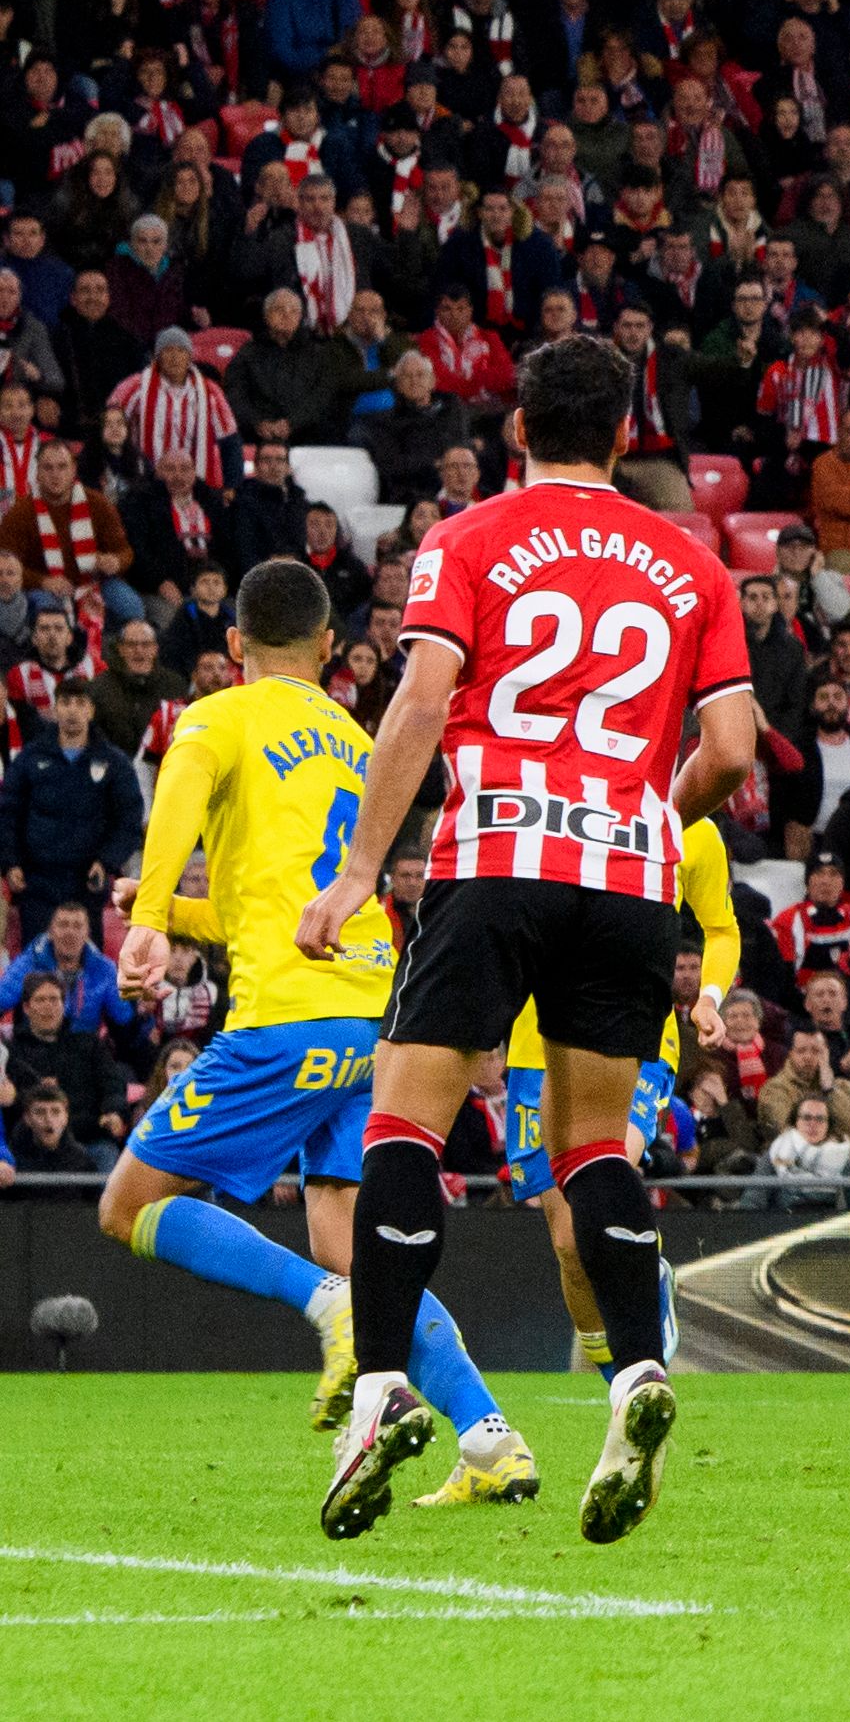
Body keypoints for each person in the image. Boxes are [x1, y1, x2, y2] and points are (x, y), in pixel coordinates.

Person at [291, 335, 756, 1545]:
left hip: (495, 856)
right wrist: (647, 816)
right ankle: (638, 1376)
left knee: (404, 1123)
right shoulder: (695, 563)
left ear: (516, 431)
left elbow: (423, 699)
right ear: (624, 435)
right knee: (592, 1146)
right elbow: (738, 753)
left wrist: (353, 877)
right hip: (628, 877)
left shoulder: (469, 539)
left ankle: (384, 1390)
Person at [97, 558, 529, 1502]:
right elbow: (276, 906)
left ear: (232, 646)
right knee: (353, 1233)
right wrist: (171, 913)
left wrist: (148, 911)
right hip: (378, 1018)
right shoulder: (353, 737)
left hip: (288, 1020)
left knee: (127, 1206)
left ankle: (324, 1307)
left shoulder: (216, 716)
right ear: (332, 648)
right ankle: (490, 1435)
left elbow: (175, 799)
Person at [498, 816, 740, 1377]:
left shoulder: (691, 825)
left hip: (638, 1035)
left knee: (605, 1168)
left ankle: (641, 1284)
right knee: (567, 1242)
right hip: (537, 1046)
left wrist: (707, 998)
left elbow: (721, 929)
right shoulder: (542, 805)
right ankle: (622, 1383)